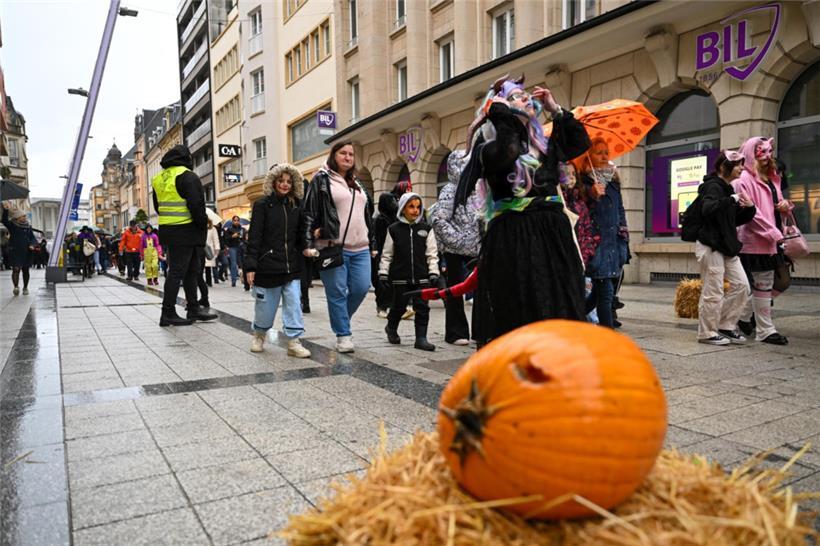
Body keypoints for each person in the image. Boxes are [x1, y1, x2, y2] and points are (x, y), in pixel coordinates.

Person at [450, 76, 590, 345]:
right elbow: (509, 150)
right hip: (514, 237)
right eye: (515, 96)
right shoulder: (488, 150)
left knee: (559, 300)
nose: (526, 98)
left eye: (525, 94)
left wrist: (555, 110)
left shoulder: (544, 145)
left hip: (552, 235)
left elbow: (579, 142)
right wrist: (500, 113)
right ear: (498, 109)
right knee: (520, 304)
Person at [303, 141, 376, 353]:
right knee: (336, 293)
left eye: (351, 154)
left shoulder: (357, 182)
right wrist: (308, 241)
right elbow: (309, 212)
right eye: (343, 153)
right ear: (333, 155)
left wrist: (373, 242)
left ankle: (340, 318)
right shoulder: (321, 179)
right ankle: (343, 334)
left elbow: (367, 214)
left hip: (361, 247)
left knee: (361, 288)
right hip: (332, 247)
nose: (348, 157)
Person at [244, 163, 312, 357]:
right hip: (267, 266)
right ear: (273, 182)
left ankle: (294, 341)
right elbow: (254, 237)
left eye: (289, 181)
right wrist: (250, 266)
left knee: (294, 305)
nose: (285, 184)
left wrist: (307, 247)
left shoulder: (296, 206)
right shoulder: (262, 205)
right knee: (265, 307)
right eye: (281, 180)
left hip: (292, 266)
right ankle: (259, 334)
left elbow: (301, 232)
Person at [693, 150, 757, 345]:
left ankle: (725, 326)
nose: (741, 168)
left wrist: (750, 208)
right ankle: (706, 332)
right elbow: (707, 209)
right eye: (737, 165)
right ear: (723, 167)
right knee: (714, 290)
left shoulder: (727, 189)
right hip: (711, 245)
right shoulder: (712, 186)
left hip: (726, 246)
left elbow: (732, 220)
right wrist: (732, 200)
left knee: (742, 286)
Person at [733, 137, 791, 345]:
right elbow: (752, 214)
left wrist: (784, 206)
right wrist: (773, 233)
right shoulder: (743, 180)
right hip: (754, 241)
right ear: (751, 154)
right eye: (761, 153)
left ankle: (748, 320)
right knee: (762, 283)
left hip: (771, 240)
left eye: (769, 152)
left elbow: (774, 206)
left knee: (764, 284)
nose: (767, 156)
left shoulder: (771, 178)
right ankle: (764, 329)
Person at [151, 144, 217, 326]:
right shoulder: (188, 176)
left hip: (169, 230)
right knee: (178, 272)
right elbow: (197, 206)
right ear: (186, 158)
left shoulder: (159, 179)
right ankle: (168, 312)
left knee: (190, 271)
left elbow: (158, 207)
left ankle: (193, 308)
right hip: (187, 230)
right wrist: (202, 226)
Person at [431, 151, 480, 345]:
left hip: (477, 249)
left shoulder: (478, 189)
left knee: (481, 289)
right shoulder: (450, 190)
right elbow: (439, 220)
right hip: (454, 250)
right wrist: (459, 240)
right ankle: (456, 332)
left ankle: (481, 330)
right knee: (455, 291)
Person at [379, 192, 439, 351]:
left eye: (418, 207)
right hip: (400, 277)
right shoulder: (393, 229)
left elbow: (432, 253)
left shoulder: (426, 229)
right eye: (411, 207)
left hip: (422, 277)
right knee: (399, 307)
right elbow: (387, 254)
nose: (415, 210)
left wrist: (434, 272)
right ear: (402, 208)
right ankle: (391, 327)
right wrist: (383, 273)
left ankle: (421, 338)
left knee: (422, 307)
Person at [581, 138, 630, 329]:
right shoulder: (582, 183)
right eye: (598, 152)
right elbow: (580, 214)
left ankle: (572, 318)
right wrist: (591, 195)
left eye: (606, 153)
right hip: (596, 245)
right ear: (589, 157)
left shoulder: (613, 183)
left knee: (598, 293)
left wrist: (624, 238)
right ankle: (608, 335)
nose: (604, 157)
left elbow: (620, 212)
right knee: (606, 293)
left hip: (614, 244)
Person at [373, 180, 412, 318]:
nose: (395, 203)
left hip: (396, 252)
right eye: (392, 201)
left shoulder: (397, 219)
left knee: (398, 280)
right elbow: (376, 237)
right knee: (384, 282)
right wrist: (376, 250)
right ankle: (382, 307)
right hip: (384, 254)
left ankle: (401, 307)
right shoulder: (380, 219)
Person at [1, 203, 37, 295]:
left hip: (27, 251)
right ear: (17, 217)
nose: (25, 217)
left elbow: (33, 238)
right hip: (15, 251)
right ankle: (16, 287)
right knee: (16, 269)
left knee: (26, 270)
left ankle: (25, 287)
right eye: (23, 216)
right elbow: (4, 221)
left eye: (25, 216)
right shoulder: (12, 225)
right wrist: (5, 210)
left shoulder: (28, 226)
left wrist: (32, 245)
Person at [223, 215, 245, 287]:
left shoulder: (242, 229)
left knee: (242, 263)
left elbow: (245, 238)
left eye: (237, 220)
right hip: (232, 247)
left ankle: (244, 279)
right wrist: (232, 236)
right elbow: (226, 239)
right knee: (233, 264)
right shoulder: (229, 229)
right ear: (232, 221)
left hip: (241, 247)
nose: (236, 221)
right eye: (235, 220)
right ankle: (233, 280)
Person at [204, 219, 220, 286]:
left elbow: (216, 239)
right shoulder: (198, 227)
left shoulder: (213, 228)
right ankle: (199, 282)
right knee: (199, 266)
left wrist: (217, 249)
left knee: (208, 266)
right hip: (199, 248)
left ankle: (209, 282)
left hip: (209, 249)